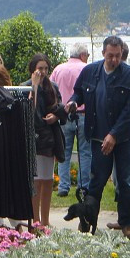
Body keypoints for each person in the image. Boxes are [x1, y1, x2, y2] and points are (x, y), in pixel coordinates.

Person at [65, 36, 130, 233]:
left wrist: (113, 135)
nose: (115, 60)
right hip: (97, 136)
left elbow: (128, 111)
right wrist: (73, 102)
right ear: (103, 54)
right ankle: (88, 219)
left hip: (122, 139)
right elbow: (78, 92)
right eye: (110, 56)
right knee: (96, 181)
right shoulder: (89, 71)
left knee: (125, 181)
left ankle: (126, 222)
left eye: (118, 56)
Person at [24, 53, 66, 228]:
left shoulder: (52, 87)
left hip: (48, 138)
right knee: (36, 180)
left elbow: (60, 108)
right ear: (33, 69)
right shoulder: (25, 87)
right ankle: (35, 220)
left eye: (45, 68)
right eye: (39, 68)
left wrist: (55, 116)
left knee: (48, 179)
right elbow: (28, 112)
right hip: (33, 138)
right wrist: (33, 87)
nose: (42, 72)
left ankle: (46, 220)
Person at [50, 43, 91, 196]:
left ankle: (63, 186)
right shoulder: (86, 69)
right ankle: (83, 186)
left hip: (63, 114)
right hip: (83, 114)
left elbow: (51, 91)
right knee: (85, 152)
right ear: (82, 55)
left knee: (64, 151)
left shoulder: (58, 69)